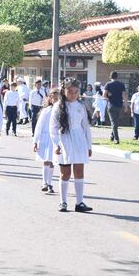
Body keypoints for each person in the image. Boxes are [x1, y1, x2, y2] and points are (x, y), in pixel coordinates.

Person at [50, 79, 93, 213]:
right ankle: (63, 202)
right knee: (66, 173)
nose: (73, 94)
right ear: (64, 91)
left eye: (76, 92)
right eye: (70, 91)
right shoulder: (58, 106)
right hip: (64, 140)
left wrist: (89, 145)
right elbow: (53, 127)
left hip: (79, 140)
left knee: (79, 171)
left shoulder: (81, 106)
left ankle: (79, 202)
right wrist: (56, 144)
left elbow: (85, 126)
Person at [33, 88, 60, 194]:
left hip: (56, 138)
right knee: (46, 160)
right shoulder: (46, 111)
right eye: (54, 98)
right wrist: (35, 141)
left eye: (58, 98)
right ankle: (44, 183)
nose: (56, 100)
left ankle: (49, 183)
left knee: (53, 161)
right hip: (45, 137)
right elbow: (39, 126)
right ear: (50, 99)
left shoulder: (61, 111)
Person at [104, 71, 126, 144]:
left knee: (114, 123)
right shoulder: (121, 84)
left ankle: (116, 139)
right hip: (119, 105)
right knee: (115, 122)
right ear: (117, 77)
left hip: (111, 105)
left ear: (110, 77)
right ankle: (112, 136)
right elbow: (124, 96)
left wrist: (109, 98)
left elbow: (104, 95)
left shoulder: (108, 84)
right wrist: (125, 105)